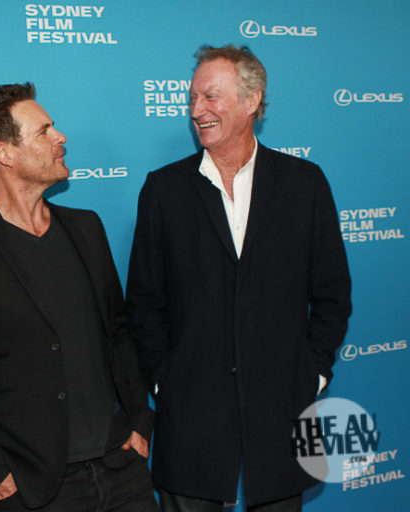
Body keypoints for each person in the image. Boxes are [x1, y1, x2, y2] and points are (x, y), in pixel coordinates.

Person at [126, 44, 352, 511]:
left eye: (210, 97)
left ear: (252, 100)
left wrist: (311, 374)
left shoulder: (305, 184)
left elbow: (332, 294)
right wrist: (165, 381)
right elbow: (144, 301)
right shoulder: (164, 189)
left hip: (285, 409)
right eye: (192, 99)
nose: (197, 110)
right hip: (190, 416)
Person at [0, 83, 157, 511]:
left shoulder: (86, 228)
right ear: (4, 153)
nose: (60, 137)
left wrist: (140, 420)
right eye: (44, 131)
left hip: (122, 466)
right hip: (34, 485)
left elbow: (119, 332)